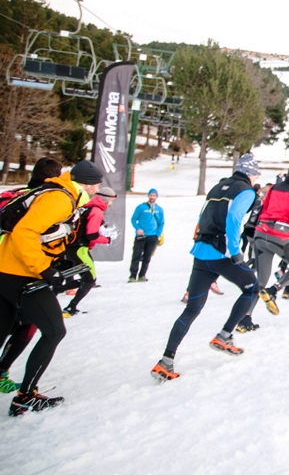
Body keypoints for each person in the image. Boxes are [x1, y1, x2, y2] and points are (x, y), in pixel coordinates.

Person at [0, 159, 103, 416]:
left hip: (9, 269)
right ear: (88, 184)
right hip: (21, 273)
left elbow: (45, 234)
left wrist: (56, 263)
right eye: (98, 183)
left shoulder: (63, 195)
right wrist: (43, 269)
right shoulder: (61, 198)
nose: (99, 187)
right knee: (54, 330)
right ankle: (26, 396)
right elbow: (25, 232)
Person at [151, 154, 260, 382]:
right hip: (222, 253)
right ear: (251, 174)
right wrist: (235, 251)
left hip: (202, 252)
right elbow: (234, 219)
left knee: (191, 309)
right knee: (252, 288)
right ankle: (225, 334)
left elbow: (202, 215)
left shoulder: (217, 187)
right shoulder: (246, 191)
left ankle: (166, 361)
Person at [243, 160, 289, 319]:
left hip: (261, 234)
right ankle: (274, 290)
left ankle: (245, 317)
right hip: (281, 236)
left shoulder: (275, 187)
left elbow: (263, 208)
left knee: (260, 281)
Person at [61, 186, 118, 317]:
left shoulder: (87, 206)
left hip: (72, 248)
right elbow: (91, 234)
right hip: (80, 249)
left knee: (84, 278)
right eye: (111, 201)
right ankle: (70, 307)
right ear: (106, 200)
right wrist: (107, 239)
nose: (111, 204)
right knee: (89, 280)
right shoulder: (97, 210)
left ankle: (59, 293)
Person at [129, 188, 165, 282]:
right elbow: (133, 219)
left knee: (147, 256)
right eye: (151, 195)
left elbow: (161, 223)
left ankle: (142, 275)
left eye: (154, 195)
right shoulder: (141, 207)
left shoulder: (159, 209)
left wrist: (157, 234)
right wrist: (138, 229)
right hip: (141, 235)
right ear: (148, 196)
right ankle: (133, 275)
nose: (152, 197)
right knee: (136, 255)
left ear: (156, 197)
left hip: (152, 236)